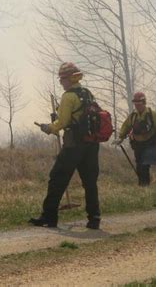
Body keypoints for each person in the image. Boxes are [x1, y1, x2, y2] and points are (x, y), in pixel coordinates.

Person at [29, 62, 101, 229]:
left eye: (62, 79)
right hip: (91, 145)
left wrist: (49, 128)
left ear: (69, 78)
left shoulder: (68, 96)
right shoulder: (87, 93)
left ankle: (49, 217)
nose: (61, 82)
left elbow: (63, 122)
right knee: (90, 183)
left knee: (57, 179)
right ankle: (94, 218)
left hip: (74, 145)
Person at [114, 92, 156, 186]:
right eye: (135, 103)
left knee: (145, 165)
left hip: (150, 143)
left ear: (144, 102)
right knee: (139, 165)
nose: (137, 105)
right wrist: (120, 137)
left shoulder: (151, 114)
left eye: (139, 103)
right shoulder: (133, 116)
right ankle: (142, 185)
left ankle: (144, 186)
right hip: (138, 144)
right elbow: (126, 126)